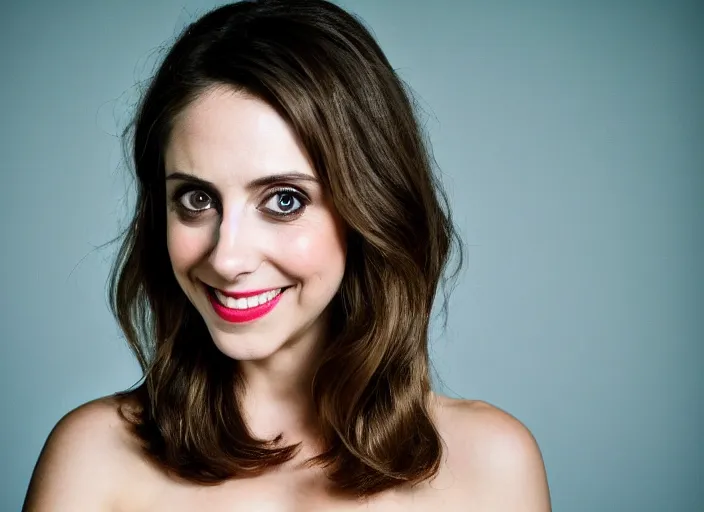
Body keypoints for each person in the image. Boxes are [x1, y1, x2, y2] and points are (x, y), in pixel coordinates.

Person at [23, 0, 551, 510]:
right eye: (197, 198)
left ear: (369, 208)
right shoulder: (93, 456)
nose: (227, 258)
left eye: (284, 201)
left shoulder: (492, 464)